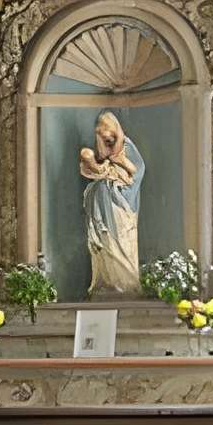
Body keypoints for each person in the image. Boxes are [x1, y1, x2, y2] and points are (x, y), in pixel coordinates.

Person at [78, 111, 145, 295]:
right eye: (102, 138)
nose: (106, 142)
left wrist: (120, 164)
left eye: (109, 138)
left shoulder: (127, 148)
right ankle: (106, 283)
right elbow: (95, 170)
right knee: (105, 245)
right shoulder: (103, 157)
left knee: (121, 243)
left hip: (122, 209)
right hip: (102, 214)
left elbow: (138, 173)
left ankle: (126, 285)